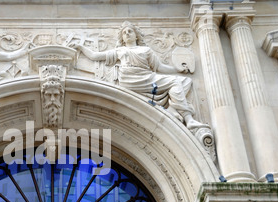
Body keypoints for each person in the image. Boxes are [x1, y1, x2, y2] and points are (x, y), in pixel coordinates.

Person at [71, 21, 208, 130]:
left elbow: (159, 67)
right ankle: (188, 118)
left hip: (147, 76)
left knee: (184, 81)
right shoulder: (120, 50)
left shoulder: (146, 50)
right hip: (129, 78)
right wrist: (80, 47)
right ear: (122, 38)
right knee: (177, 83)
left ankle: (175, 111)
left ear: (136, 35)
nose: (127, 33)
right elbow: (95, 56)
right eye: (124, 33)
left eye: (130, 31)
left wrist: (178, 69)